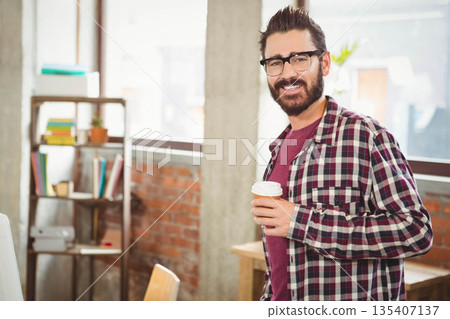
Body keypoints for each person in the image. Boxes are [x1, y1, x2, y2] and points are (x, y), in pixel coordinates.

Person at [251, 6, 433, 301]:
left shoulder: (367, 137)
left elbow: (415, 230)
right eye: (275, 63)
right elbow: (282, 263)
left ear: (324, 63)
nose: (287, 73)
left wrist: (301, 221)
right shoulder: (279, 148)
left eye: (299, 59)